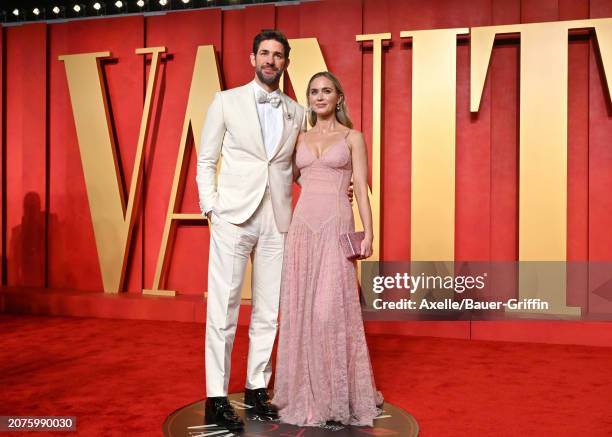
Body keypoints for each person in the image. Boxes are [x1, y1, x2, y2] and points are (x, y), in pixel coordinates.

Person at [196, 30, 304, 431]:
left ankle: (257, 388)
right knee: (222, 307)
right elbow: (205, 160)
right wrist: (212, 208)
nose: (271, 60)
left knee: (269, 309)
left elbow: (293, 168)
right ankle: (216, 396)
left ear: (286, 63)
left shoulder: (297, 111)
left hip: (278, 219)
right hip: (233, 216)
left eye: (278, 55)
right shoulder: (225, 101)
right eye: (265, 53)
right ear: (252, 57)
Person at [273, 71, 383, 427]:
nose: (320, 97)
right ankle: (303, 393)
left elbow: (362, 187)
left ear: (339, 97)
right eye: (314, 92)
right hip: (302, 229)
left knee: (328, 312)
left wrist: (370, 232)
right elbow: (290, 176)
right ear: (309, 98)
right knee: (301, 311)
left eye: (327, 91)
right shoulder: (298, 137)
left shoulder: (353, 137)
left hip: (336, 228)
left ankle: (337, 395)